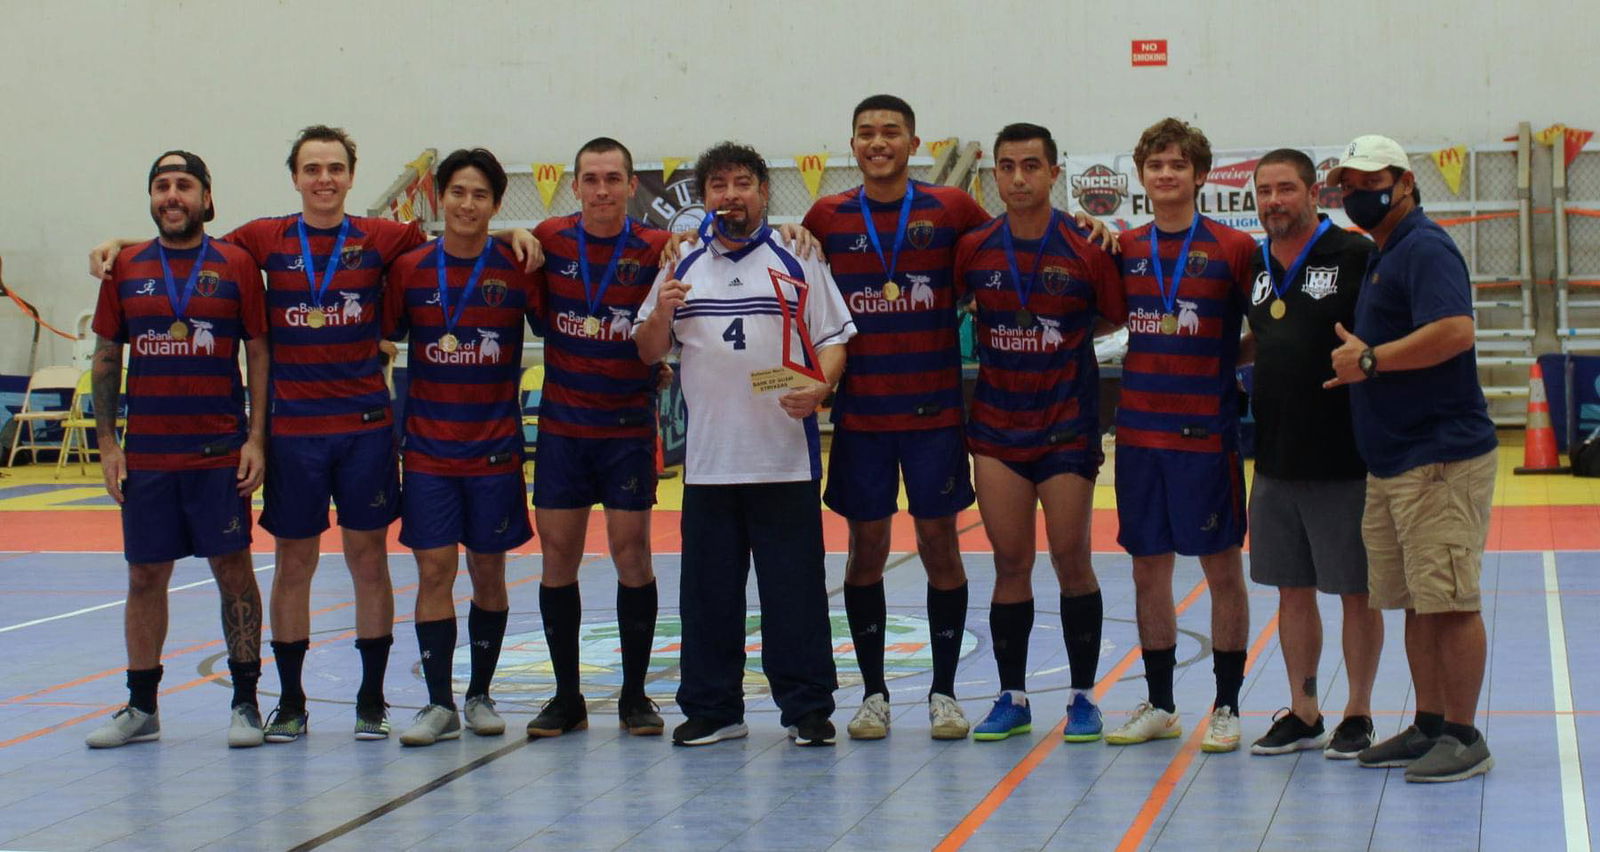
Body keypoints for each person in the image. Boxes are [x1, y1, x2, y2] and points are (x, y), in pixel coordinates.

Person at [88, 126, 541, 742]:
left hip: (365, 430)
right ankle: (292, 702)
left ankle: (371, 701)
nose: (323, 179)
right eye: (311, 168)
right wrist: (122, 243)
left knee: (368, 560)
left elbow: (462, 236)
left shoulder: (387, 238)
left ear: (352, 177)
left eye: (334, 168)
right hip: (292, 433)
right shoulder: (262, 239)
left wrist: (519, 233)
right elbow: (186, 242)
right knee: (293, 562)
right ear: (296, 177)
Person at [634, 141, 855, 747]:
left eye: (742, 184)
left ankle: (807, 708)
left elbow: (834, 339)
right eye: (718, 186)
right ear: (704, 198)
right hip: (708, 465)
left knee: (795, 594)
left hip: (784, 458)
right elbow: (648, 350)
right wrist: (662, 312)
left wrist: (822, 384)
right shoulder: (679, 265)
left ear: (762, 191)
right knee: (708, 597)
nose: (730, 196)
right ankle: (714, 710)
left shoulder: (798, 256)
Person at [800, 95, 990, 740]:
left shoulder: (953, 208)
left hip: (934, 415)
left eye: (890, 132)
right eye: (865, 133)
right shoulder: (824, 215)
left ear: (914, 142)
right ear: (851, 144)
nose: (877, 142)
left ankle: (944, 693)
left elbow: (1006, 253)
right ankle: (874, 694)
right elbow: (795, 293)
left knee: (941, 548)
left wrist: (1083, 229)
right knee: (866, 552)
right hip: (861, 417)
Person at [1325, 134, 1498, 783]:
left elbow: (1456, 331)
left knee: (1450, 600)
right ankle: (1429, 725)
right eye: (1347, 182)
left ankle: (1463, 734)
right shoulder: (1384, 252)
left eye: (1369, 180)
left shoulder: (1424, 246)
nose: (1356, 192)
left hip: (1440, 459)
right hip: (1396, 460)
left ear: (1403, 182)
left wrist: (1371, 360)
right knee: (1418, 601)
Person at [83, 151, 270, 749]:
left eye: (183, 184)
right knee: (144, 577)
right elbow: (108, 356)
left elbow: (259, 354)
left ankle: (245, 702)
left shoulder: (237, 264)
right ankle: (142, 706)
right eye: (161, 185)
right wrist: (109, 443)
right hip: (149, 455)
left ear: (206, 196)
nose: (172, 195)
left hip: (218, 452)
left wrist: (256, 437)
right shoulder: (125, 266)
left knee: (234, 572)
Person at [953, 123, 1124, 742]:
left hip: (1066, 424)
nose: (1018, 178)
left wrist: (1062, 337)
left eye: (1031, 166)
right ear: (994, 174)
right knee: (1010, 562)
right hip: (997, 425)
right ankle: (1013, 697)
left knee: (1072, 557)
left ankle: (1082, 697)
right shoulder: (974, 246)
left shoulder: (1087, 244)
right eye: (1006, 167)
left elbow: (1115, 313)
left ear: (1055, 173)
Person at [1105, 118, 1256, 753]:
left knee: (1222, 569)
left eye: (1178, 165)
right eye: (1156, 165)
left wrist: (1225, 362)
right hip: (1140, 437)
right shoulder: (1123, 249)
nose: (1166, 174)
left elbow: (1272, 330)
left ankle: (1227, 706)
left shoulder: (1234, 248)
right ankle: (1162, 703)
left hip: (1205, 436)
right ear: (1142, 176)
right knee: (1148, 572)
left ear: (1199, 175)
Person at [382, 148, 541, 746]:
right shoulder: (411, 270)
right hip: (427, 450)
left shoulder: (518, 267)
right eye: (457, 192)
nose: (467, 204)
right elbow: (383, 340)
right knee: (433, 572)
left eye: (479, 195)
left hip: (494, 449)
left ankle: (479, 694)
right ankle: (438, 703)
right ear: (439, 199)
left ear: (496, 205)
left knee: (489, 574)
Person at [523, 138, 671, 738]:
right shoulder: (549, 240)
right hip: (562, 427)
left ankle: (636, 696)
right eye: (591, 178)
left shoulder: (659, 248)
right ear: (575, 186)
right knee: (557, 557)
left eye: (613, 178)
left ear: (632, 185)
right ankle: (566, 697)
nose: (602, 189)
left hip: (625, 429)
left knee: (631, 554)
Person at [1241, 149, 1384, 759]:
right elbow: (1264, 337)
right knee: (1290, 590)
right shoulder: (1252, 262)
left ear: (1313, 194)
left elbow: (1382, 338)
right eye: (1264, 190)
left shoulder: (1355, 255)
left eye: (1286, 189)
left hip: (1343, 457)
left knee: (1356, 590)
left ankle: (1358, 712)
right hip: (1272, 459)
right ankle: (1304, 712)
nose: (1274, 201)